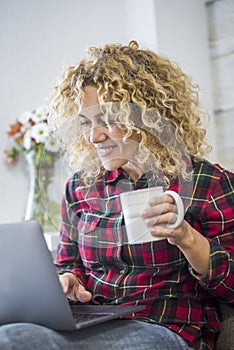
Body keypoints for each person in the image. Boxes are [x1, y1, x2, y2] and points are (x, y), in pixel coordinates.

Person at [0, 40, 234, 350]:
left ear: (147, 116)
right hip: (93, 323)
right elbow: (68, 263)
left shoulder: (208, 183)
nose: (94, 136)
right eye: (86, 122)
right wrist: (69, 282)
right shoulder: (79, 188)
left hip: (164, 327)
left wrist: (187, 238)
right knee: (12, 337)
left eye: (109, 120)